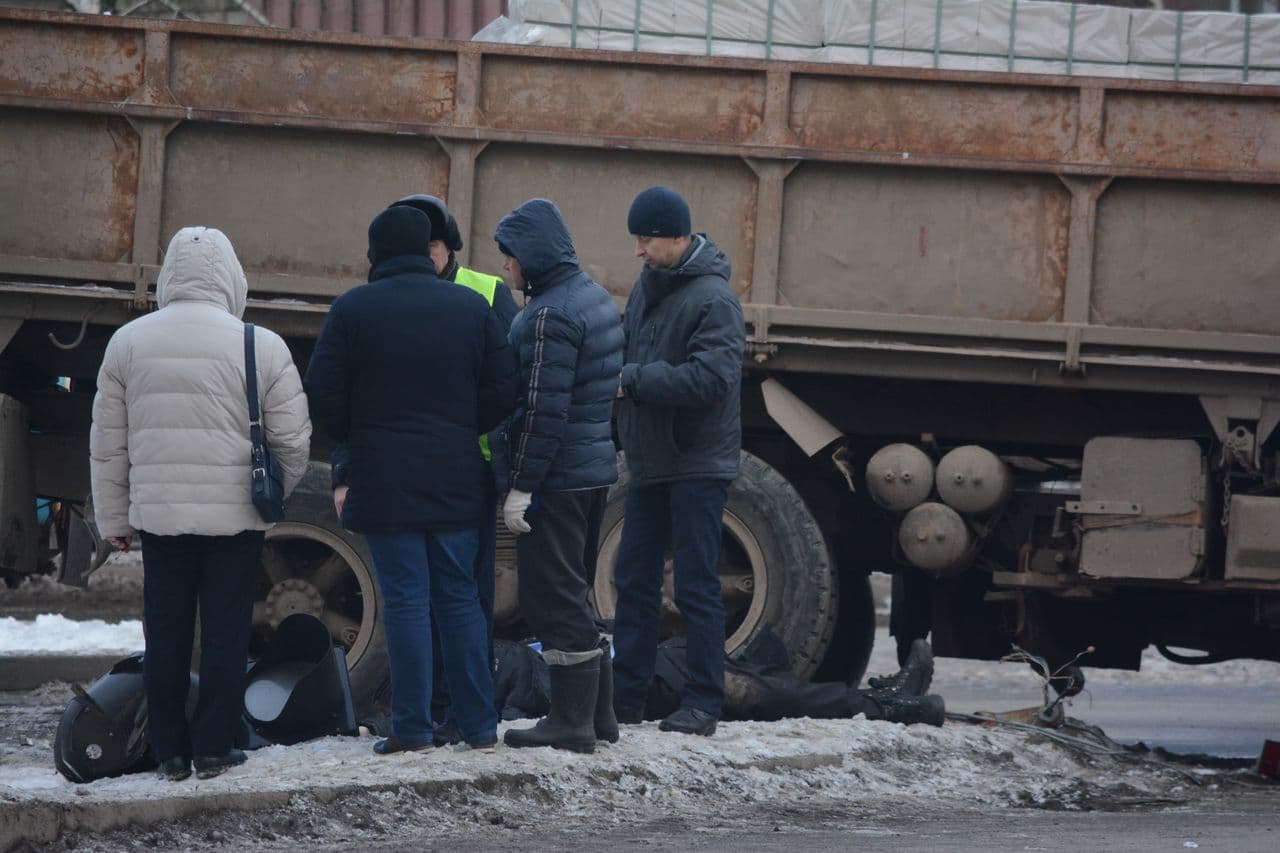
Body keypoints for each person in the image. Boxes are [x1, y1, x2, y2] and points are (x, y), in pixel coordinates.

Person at [90, 226, 311, 781]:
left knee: (164, 634)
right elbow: (293, 441)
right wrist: (272, 495)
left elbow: (108, 444)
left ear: (168, 278)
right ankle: (214, 746)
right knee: (226, 633)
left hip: (161, 521)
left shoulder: (129, 342)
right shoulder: (260, 344)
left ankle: (168, 750)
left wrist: (114, 519)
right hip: (235, 520)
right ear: (231, 278)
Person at [305, 205, 516, 754]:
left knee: (404, 600)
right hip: (457, 477)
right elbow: (504, 391)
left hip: (383, 476)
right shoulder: (471, 307)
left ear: (376, 254)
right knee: (460, 598)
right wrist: (463, 428)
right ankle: (479, 725)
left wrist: (363, 433)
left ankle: (414, 728)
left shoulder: (353, 310)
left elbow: (324, 395)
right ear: (428, 250)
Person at [611, 186, 746, 737]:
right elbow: (626, 349)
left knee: (694, 586)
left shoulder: (714, 298)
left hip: (696, 464)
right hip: (650, 461)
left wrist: (634, 381)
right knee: (633, 578)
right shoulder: (649, 287)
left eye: (646, 240)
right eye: (636, 240)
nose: (639, 251)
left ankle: (702, 702)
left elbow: (713, 379)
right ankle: (626, 698)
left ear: (677, 236)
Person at [492, 198, 625, 754]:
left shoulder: (549, 315)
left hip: (560, 476)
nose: (506, 269)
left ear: (532, 256)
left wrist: (523, 484)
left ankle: (570, 723)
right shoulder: (593, 297)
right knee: (575, 589)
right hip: (592, 470)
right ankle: (600, 716)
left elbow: (544, 411)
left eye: (510, 258)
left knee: (552, 598)